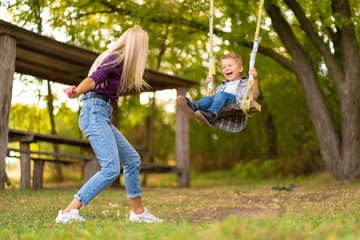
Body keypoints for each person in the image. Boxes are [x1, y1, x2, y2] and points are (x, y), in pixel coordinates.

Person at [56, 28, 163, 224]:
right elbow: (94, 78)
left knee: (131, 159)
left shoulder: (120, 62)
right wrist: (76, 91)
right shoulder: (116, 59)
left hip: (101, 113)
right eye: (145, 47)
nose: (146, 52)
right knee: (111, 169)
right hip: (93, 112)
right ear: (137, 46)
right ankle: (67, 213)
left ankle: (138, 214)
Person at [176, 52, 259, 132]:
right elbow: (214, 99)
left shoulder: (246, 82)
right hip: (223, 103)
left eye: (230, 65)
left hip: (237, 101)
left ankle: (210, 115)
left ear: (240, 68)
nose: (227, 68)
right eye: (224, 67)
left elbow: (254, 96)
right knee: (209, 98)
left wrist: (254, 79)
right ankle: (194, 106)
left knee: (221, 94)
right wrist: (210, 86)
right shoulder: (223, 85)